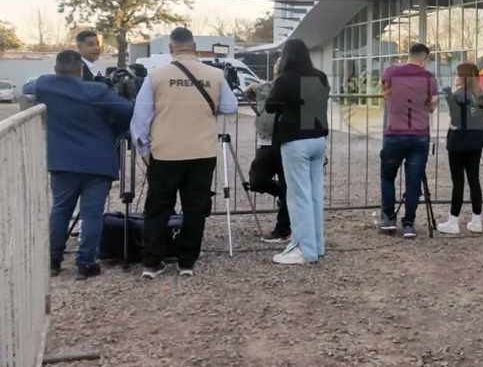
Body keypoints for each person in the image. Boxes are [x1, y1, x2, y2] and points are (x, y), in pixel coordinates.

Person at [131, 27, 239, 279]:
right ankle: (187, 262)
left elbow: (140, 118)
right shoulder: (215, 74)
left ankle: (152, 263)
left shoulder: (156, 76)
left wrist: (144, 149)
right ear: (195, 48)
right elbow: (230, 106)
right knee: (195, 208)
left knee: (158, 208)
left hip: (165, 152)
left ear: (171, 49)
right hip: (202, 151)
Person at [23, 50, 133, 280]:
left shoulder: (44, 84)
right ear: (80, 70)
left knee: (60, 210)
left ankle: (52, 261)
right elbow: (127, 110)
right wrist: (113, 128)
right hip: (98, 160)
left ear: (55, 68)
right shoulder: (96, 90)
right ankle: (86, 263)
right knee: (91, 214)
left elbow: (27, 91)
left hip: (62, 161)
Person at [263, 39, 330, 265]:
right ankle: (316, 245)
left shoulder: (285, 79)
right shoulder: (320, 76)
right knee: (314, 196)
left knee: (298, 196)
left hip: (295, 140)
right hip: (317, 138)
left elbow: (270, 106)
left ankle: (303, 249)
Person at [379, 43, 439, 238]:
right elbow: (432, 105)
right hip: (420, 134)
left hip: (395, 132)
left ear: (409, 55)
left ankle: (388, 218)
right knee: (413, 180)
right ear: (424, 59)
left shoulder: (390, 72)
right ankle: (409, 224)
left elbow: (385, 92)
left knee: (388, 176)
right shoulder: (429, 78)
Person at [244, 56, 291, 243]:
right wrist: (251, 88)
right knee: (257, 180)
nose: (277, 65)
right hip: (265, 143)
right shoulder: (264, 87)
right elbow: (253, 90)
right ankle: (281, 194)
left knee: (287, 185)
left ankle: (283, 229)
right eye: (276, 62)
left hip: (284, 141)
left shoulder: (289, 87)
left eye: (282, 62)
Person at [437, 63, 483, 235]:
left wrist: (449, 98)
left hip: (459, 142)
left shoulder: (458, 94)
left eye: (457, 74)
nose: (455, 76)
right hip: (476, 141)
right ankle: (477, 219)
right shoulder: (481, 94)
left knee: (458, 182)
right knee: (474, 180)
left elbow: (456, 119)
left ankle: (453, 221)